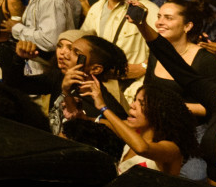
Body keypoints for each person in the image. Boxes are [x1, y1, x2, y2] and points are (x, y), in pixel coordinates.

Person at [67, 72, 196, 175]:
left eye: (141, 103)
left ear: (158, 113)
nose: (132, 105)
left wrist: (103, 108)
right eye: (135, 100)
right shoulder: (134, 131)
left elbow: (142, 148)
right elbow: (100, 122)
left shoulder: (171, 149)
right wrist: (67, 92)